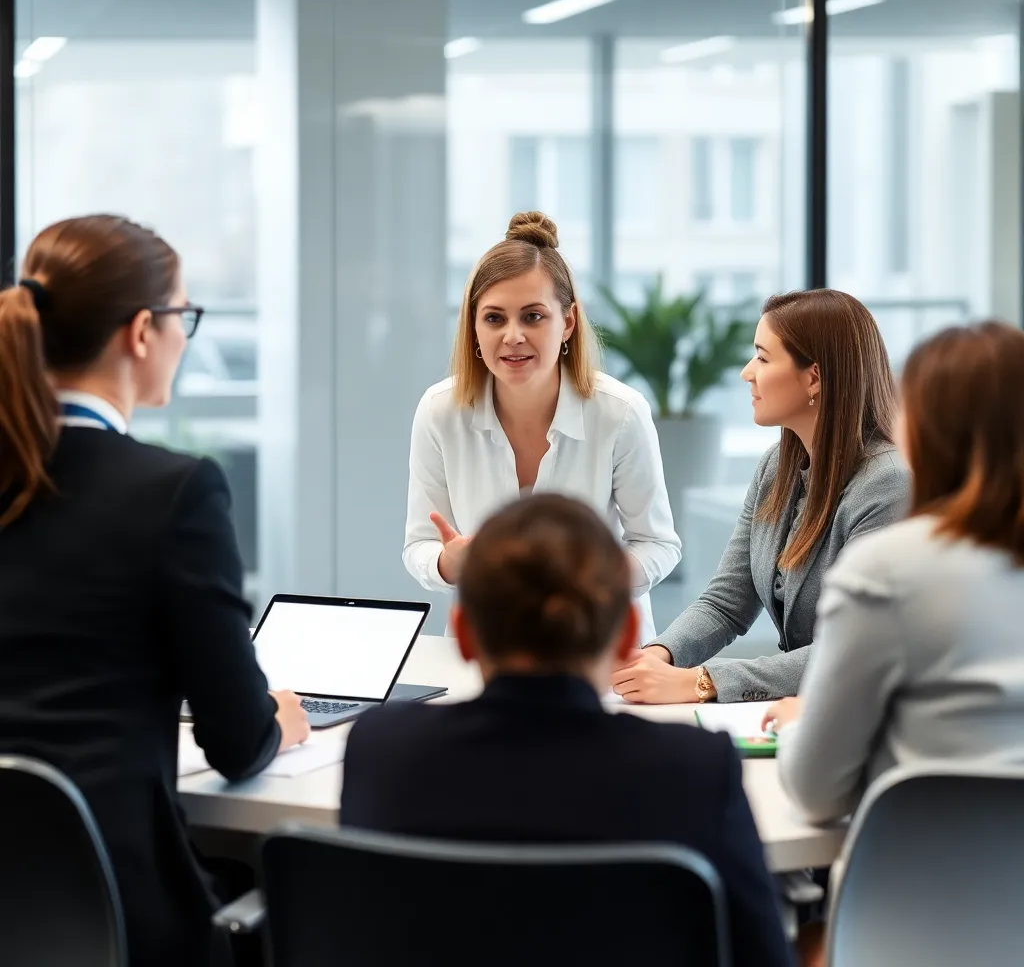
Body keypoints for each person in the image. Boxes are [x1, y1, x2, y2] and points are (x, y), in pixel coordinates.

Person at [0, 215, 309, 967]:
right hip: (124, 918)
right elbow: (237, 742)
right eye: (182, 316)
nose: (182, 337)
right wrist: (279, 717)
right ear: (142, 331)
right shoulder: (174, 493)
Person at [345, 493, 792, 967]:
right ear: (627, 635)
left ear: (465, 633)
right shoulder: (695, 769)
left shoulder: (382, 750)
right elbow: (761, 954)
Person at [769, 321, 1024, 824]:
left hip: (915, 870)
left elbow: (816, 794)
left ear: (923, 431)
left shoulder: (888, 570)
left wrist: (801, 724)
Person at [612, 289, 909, 704]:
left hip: (871, 713)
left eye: (763, 358)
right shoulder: (776, 467)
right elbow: (726, 602)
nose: (746, 373)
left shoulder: (889, 485)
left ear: (814, 377)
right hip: (811, 708)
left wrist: (703, 681)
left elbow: (855, 649)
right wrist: (656, 656)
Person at [403, 211, 679, 642]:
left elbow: (658, 545)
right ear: (473, 327)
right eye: (494, 318)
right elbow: (420, 544)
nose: (512, 336)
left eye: (532, 317)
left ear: (567, 322)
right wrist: (449, 564)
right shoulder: (440, 411)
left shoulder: (620, 412)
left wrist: (591, 578)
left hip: (598, 645)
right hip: (491, 646)